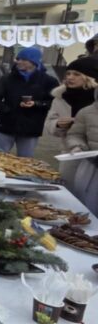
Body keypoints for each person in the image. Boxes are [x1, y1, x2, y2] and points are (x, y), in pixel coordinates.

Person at [0, 46, 59, 157]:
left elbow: (54, 103)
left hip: (31, 126)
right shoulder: (7, 78)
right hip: (5, 124)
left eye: (23, 59)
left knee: (25, 161)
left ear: (34, 61)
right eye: (18, 58)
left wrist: (36, 104)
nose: (18, 61)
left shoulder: (49, 81)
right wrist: (6, 109)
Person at [64, 56, 98, 214]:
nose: (70, 77)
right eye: (69, 73)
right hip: (90, 166)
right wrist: (78, 146)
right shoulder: (88, 111)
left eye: (76, 74)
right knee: (84, 207)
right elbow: (75, 134)